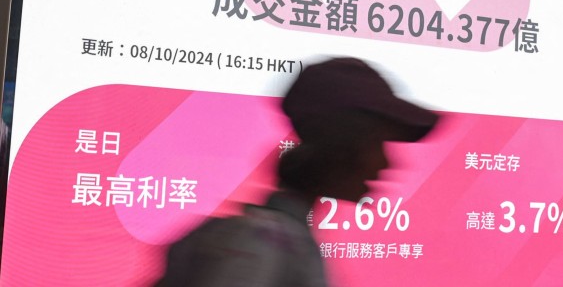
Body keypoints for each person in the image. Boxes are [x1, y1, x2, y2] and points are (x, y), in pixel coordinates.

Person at [157, 57, 439, 286]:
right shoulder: (262, 240)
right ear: (344, 146)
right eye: (378, 143)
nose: (386, 163)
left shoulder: (280, 239)